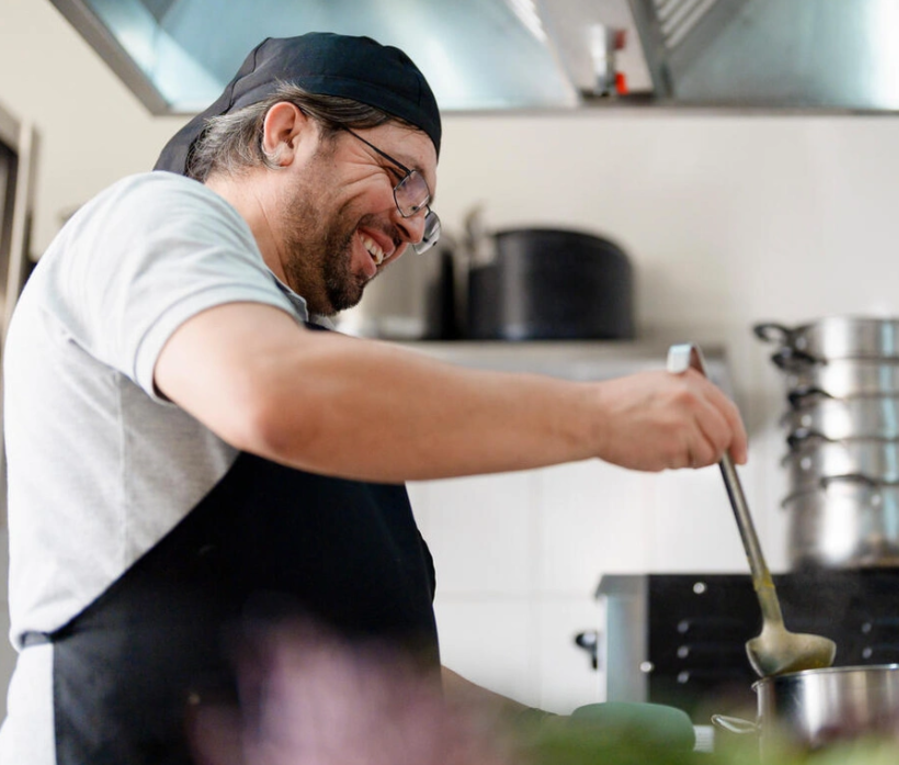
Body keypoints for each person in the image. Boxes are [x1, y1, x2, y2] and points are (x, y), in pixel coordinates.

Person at [0, 32, 746, 765]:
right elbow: (273, 393)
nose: (410, 226)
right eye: (404, 181)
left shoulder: (310, 355)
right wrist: (601, 416)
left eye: (424, 211)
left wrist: (558, 736)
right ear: (287, 132)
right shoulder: (154, 218)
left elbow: (377, 675)